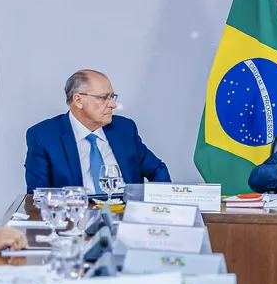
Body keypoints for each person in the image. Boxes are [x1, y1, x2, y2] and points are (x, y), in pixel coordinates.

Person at [25, 69, 171, 194]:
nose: (113, 105)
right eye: (104, 98)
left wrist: (159, 206)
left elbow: (157, 169)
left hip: (124, 214)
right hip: (76, 218)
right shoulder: (43, 136)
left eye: (112, 97)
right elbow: (38, 194)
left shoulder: (124, 129)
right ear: (78, 100)